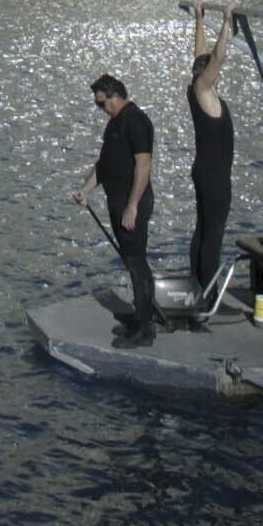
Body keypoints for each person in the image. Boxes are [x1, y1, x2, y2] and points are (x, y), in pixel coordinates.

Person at [75, 74, 156, 345]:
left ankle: (145, 328)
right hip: (117, 201)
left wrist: (132, 205)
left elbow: (143, 165)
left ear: (115, 96)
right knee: (130, 261)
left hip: (131, 204)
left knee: (137, 262)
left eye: (102, 103)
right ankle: (139, 315)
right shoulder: (114, 124)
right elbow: (105, 162)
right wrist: (86, 190)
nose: (101, 109)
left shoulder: (136, 121)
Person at [188, 5, 236, 302]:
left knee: (203, 229)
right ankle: (208, 293)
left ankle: (197, 285)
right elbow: (216, 57)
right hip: (214, 176)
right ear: (205, 74)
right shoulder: (202, 90)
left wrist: (199, 18)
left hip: (206, 170)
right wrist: (226, 22)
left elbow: (202, 55)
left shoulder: (198, 87)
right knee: (213, 236)